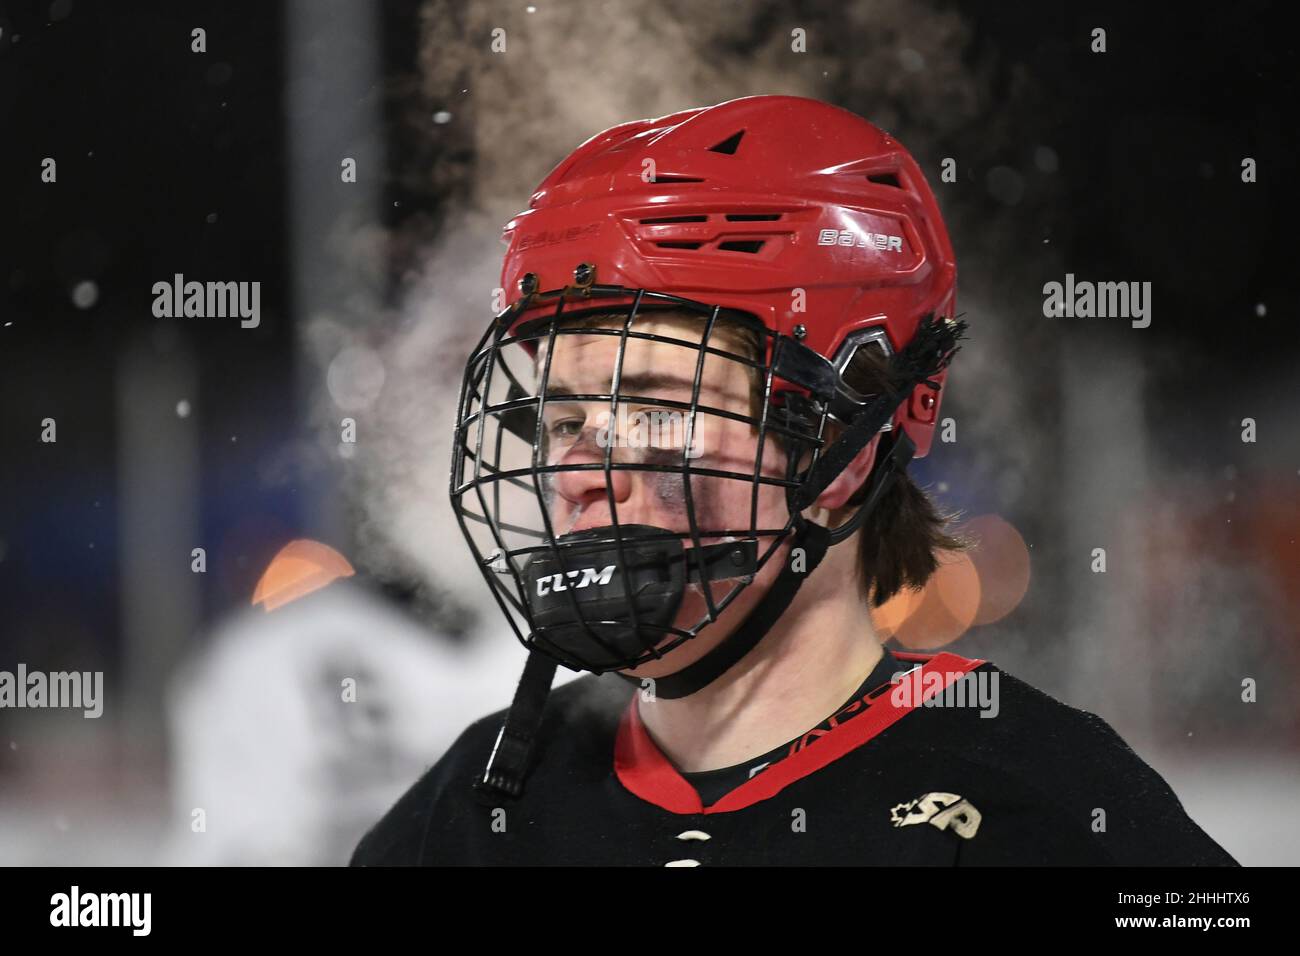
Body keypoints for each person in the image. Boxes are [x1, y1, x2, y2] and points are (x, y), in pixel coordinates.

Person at [351, 94, 1237, 866]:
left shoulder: (1036, 800)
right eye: (562, 423)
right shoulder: (472, 807)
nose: (583, 473)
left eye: (657, 411)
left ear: (844, 448)